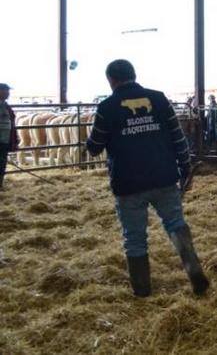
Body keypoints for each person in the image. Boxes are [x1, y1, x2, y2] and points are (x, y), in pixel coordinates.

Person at [86, 60, 209, 298]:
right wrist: (185, 168)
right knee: (175, 224)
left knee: (134, 237)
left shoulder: (107, 107)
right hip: (163, 177)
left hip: (128, 183)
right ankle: (195, 273)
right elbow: (178, 137)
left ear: (111, 80)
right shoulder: (159, 99)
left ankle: (142, 291)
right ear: (134, 74)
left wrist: (90, 142)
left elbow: (94, 147)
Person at [0, 83, 19, 189]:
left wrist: (14, 141)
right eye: (6, 91)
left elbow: (12, 124)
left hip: (5, 140)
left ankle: (0, 185)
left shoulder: (6, 107)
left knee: (2, 163)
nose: (8, 93)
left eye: (8, 91)